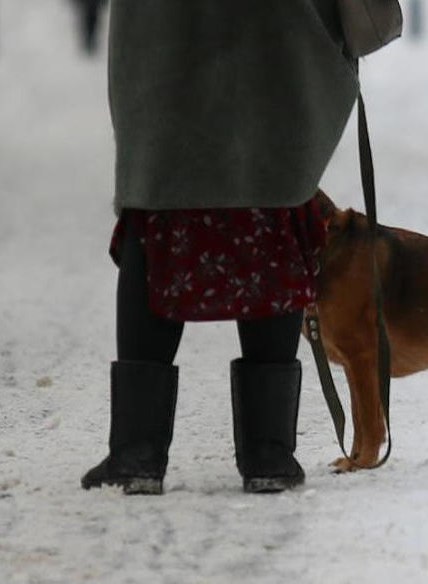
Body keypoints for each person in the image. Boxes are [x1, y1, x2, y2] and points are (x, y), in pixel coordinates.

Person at [82, 1, 360, 495]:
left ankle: (138, 452)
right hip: (273, 40)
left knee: (163, 210)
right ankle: (268, 451)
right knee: (269, 208)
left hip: (167, 42)